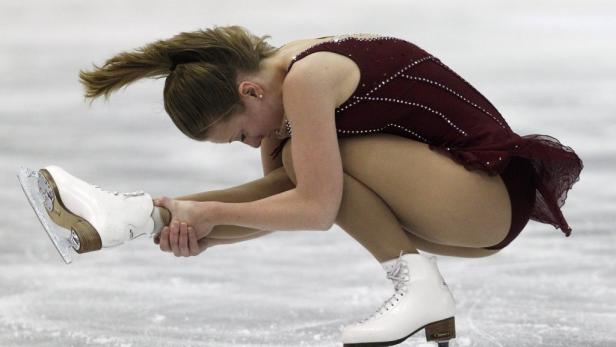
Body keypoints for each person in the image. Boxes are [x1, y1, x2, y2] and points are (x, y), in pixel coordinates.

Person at [34, 26, 583, 346]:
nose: (251, 144)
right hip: (460, 212)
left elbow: (317, 207)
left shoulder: (308, 78)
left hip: (485, 198)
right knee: (299, 167)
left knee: (309, 161)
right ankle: (136, 217)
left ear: (249, 92)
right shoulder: (279, 97)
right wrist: (199, 228)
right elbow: (286, 202)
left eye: (240, 135)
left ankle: (419, 288)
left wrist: (202, 214)